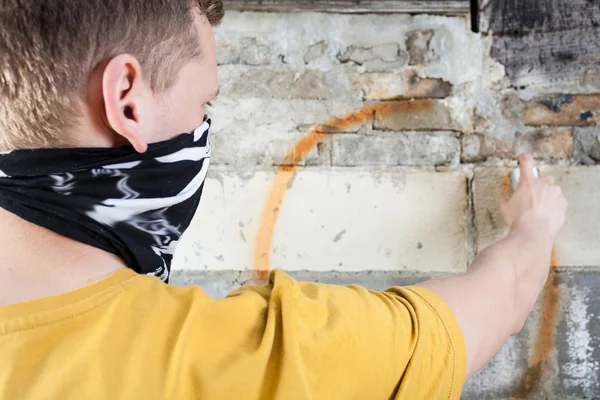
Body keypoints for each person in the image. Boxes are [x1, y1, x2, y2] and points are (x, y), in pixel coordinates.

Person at [0, 1, 568, 399]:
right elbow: (499, 300)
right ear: (128, 101)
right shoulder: (252, 362)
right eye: (205, 104)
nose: (203, 127)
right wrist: (533, 229)